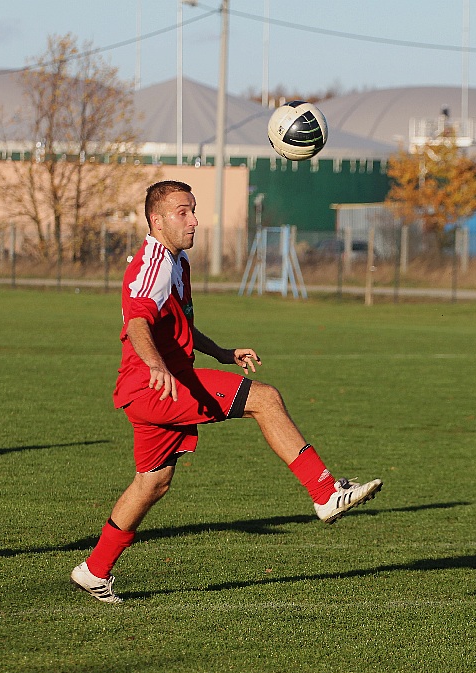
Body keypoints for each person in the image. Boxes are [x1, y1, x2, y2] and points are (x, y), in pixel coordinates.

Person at [71, 180, 382, 603]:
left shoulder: (174, 263)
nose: (194, 220)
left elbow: (176, 323)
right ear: (156, 220)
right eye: (183, 212)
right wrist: (158, 365)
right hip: (158, 385)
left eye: (194, 210)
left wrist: (220, 351)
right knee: (265, 399)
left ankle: (94, 569)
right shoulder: (154, 264)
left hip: (148, 387)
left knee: (153, 482)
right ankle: (325, 493)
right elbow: (138, 323)